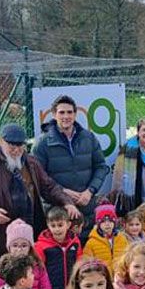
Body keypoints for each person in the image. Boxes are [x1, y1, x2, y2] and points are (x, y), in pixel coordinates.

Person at [0, 124, 78, 276]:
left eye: (20, 145)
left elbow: (48, 186)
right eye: (11, 145)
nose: (16, 150)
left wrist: (66, 202)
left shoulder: (31, 163)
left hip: (30, 232)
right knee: (0, 278)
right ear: (0, 141)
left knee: (31, 276)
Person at [32, 95, 110, 231]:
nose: (66, 116)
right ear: (54, 114)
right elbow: (38, 177)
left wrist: (90, 191)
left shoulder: (89, 137)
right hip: (58, 211)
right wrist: (63, 192)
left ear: (75, 114)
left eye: (69, 112)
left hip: (87, 205)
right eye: (61, 112)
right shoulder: (42, 144)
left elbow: (101, 167)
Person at [0, 219, 52, 289]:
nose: (19, 249)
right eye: (15, 245)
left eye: (24, 245)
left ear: (30, 247)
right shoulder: (2, 267)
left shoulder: (38, 266)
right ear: (9, 247)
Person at [34, 206, 81, 289]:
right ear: (48, 225)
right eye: (53, 226)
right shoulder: (41, 245)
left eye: (60, 225)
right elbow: (39, 271)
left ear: (68, 225)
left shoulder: (75, 242)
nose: (57, 229)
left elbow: (79, 263)